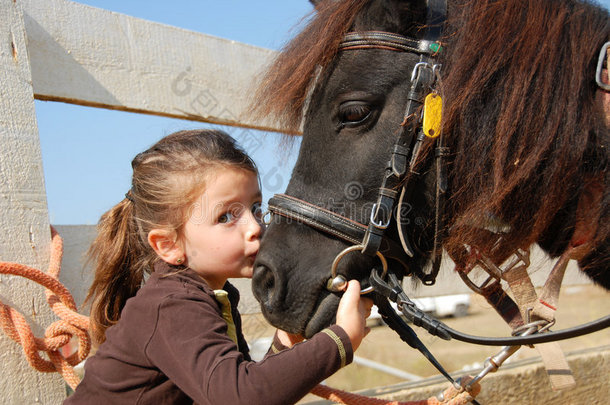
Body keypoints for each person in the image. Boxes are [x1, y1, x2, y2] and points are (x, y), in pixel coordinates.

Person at [65, 129, 373, 405]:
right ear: (169, 245)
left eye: (255, 208)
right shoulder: (172, 305)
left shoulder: (208, 294)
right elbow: (241, 397)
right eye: (226, 216)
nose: (255, 227)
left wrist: (284, 344)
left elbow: (234, 384)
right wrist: (342, 339)